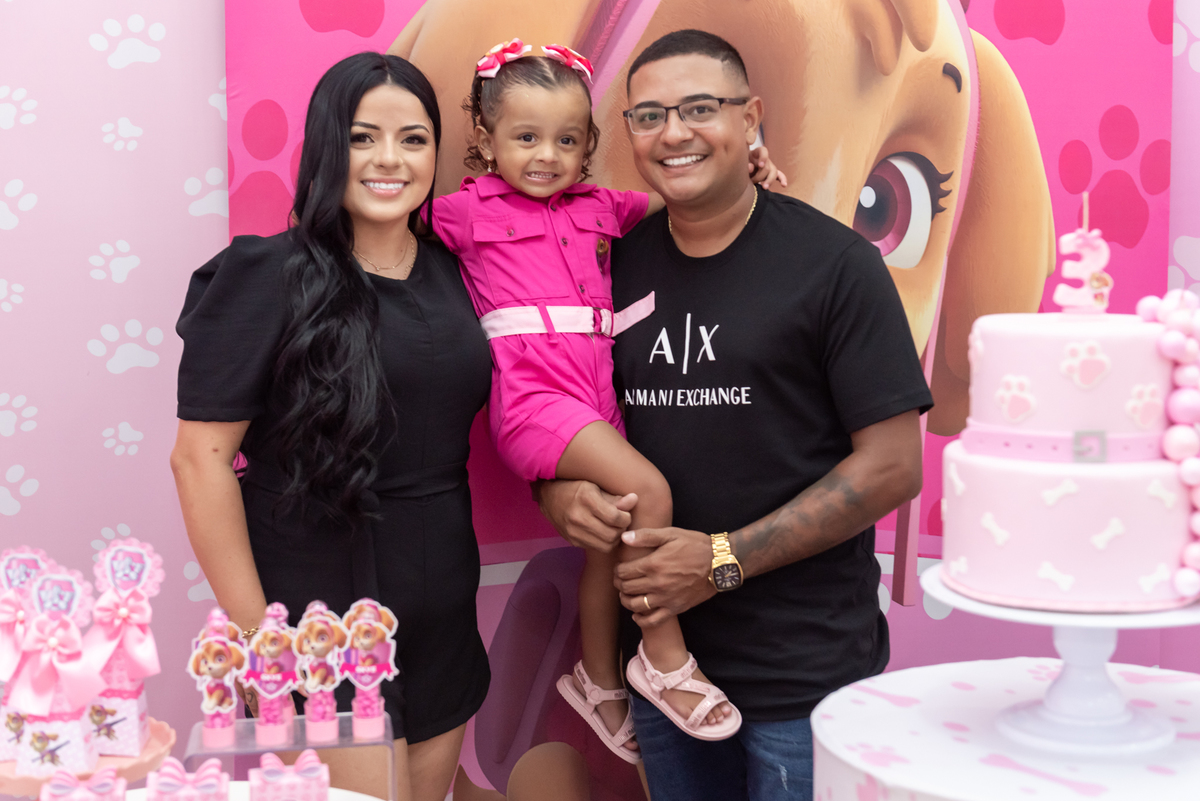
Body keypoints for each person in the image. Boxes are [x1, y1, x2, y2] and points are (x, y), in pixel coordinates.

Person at [537, 29, 932, 801]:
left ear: (749, 119)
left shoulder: (835, 266)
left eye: (699, 108)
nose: (673, 133)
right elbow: (556, 404)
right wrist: (555, 493)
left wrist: (722, 559)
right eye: (649, 115)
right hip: (663, 669)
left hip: (803, 673)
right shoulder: (608, 265)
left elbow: (893, 466)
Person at [430, 40, 784, 760]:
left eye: (567, 140)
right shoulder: (462, 214)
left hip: (596, 400)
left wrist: (749, 166)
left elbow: (684, 196)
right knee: (650, 490)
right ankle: (663, 657)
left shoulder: (602, 208)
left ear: (588, 144)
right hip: (532, 402)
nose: (547, 156)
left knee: (613, 535)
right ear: (486, 140)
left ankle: (596, 679)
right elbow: (381, 225)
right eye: (526, 138)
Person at [170, 52, 490, 801]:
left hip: (442, 598)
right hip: (315, 612)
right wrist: (261, 642)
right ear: (325, 147)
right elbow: (199, 461)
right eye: (361, 137)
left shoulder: (461, 270)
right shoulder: (267, 273)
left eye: (413, 139)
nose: (389, 159)